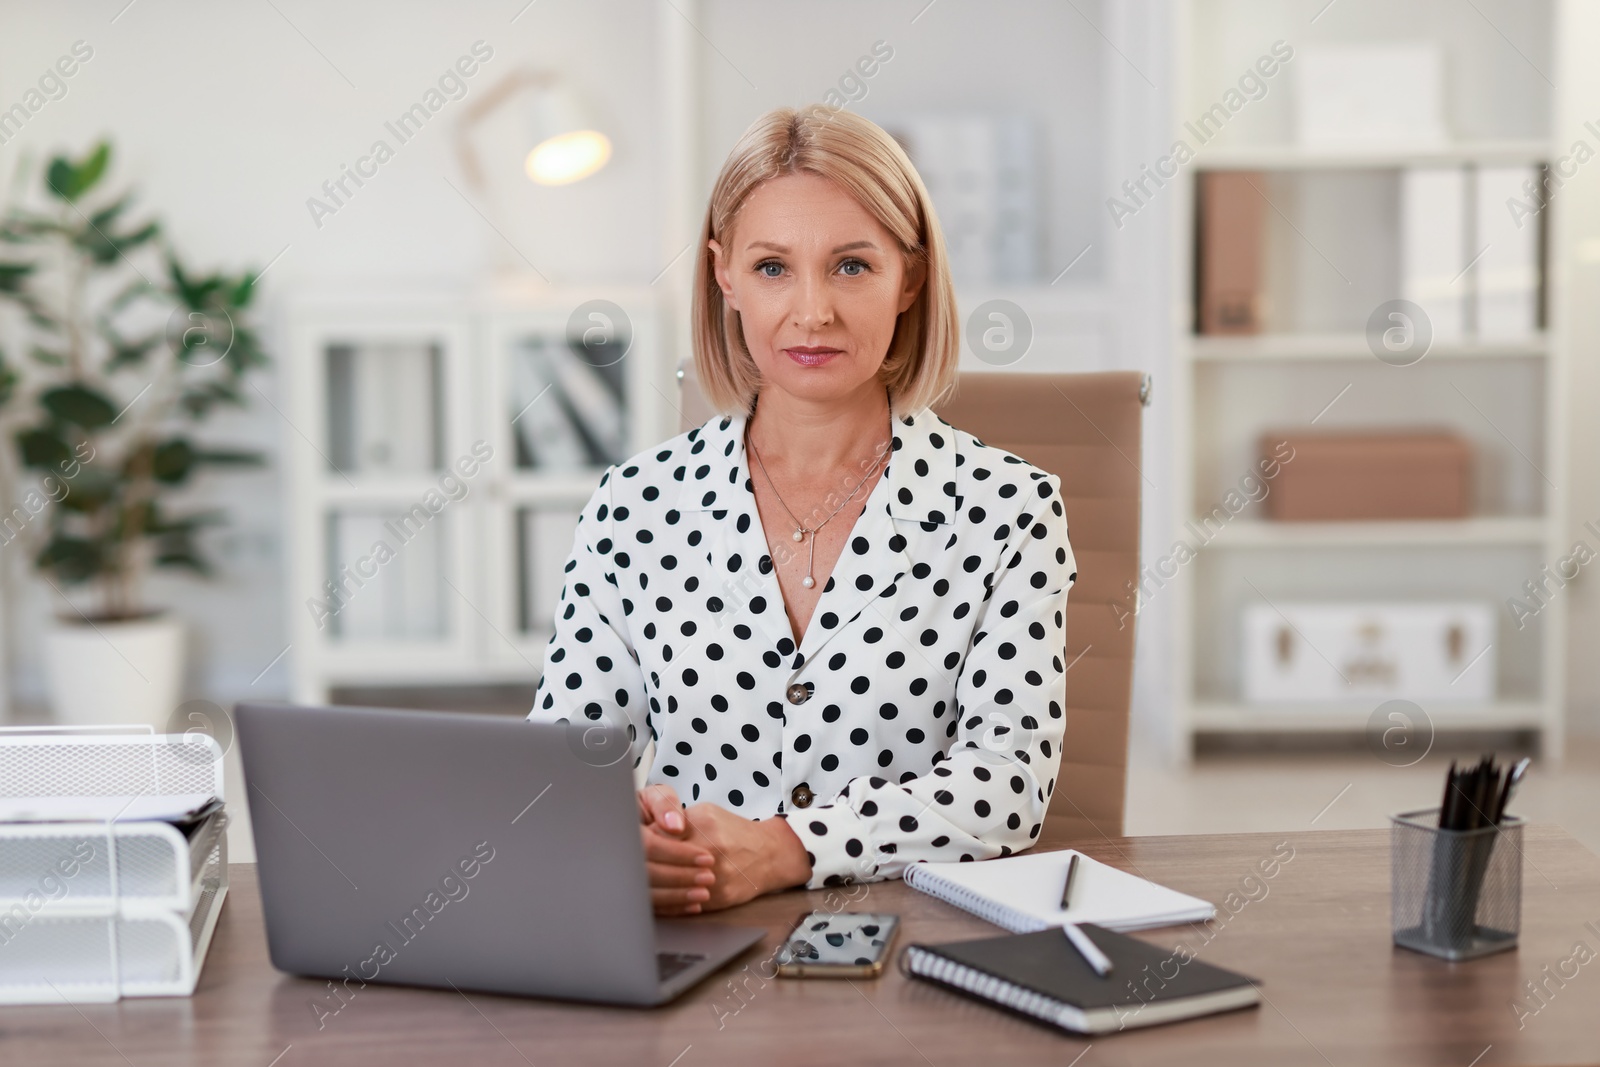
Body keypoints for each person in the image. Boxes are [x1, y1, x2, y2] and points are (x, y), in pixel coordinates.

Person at [529, 104, 1076, 915]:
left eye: (852, 266)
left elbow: (1008, 784)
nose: (812, 310)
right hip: (694, 937)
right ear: (724, 274)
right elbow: (557, 765)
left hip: (909, 941)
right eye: (773, 267)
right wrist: (622, 830)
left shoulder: (1009, 510)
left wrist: (786, 848)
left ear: (911, 277)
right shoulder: (632, 506)